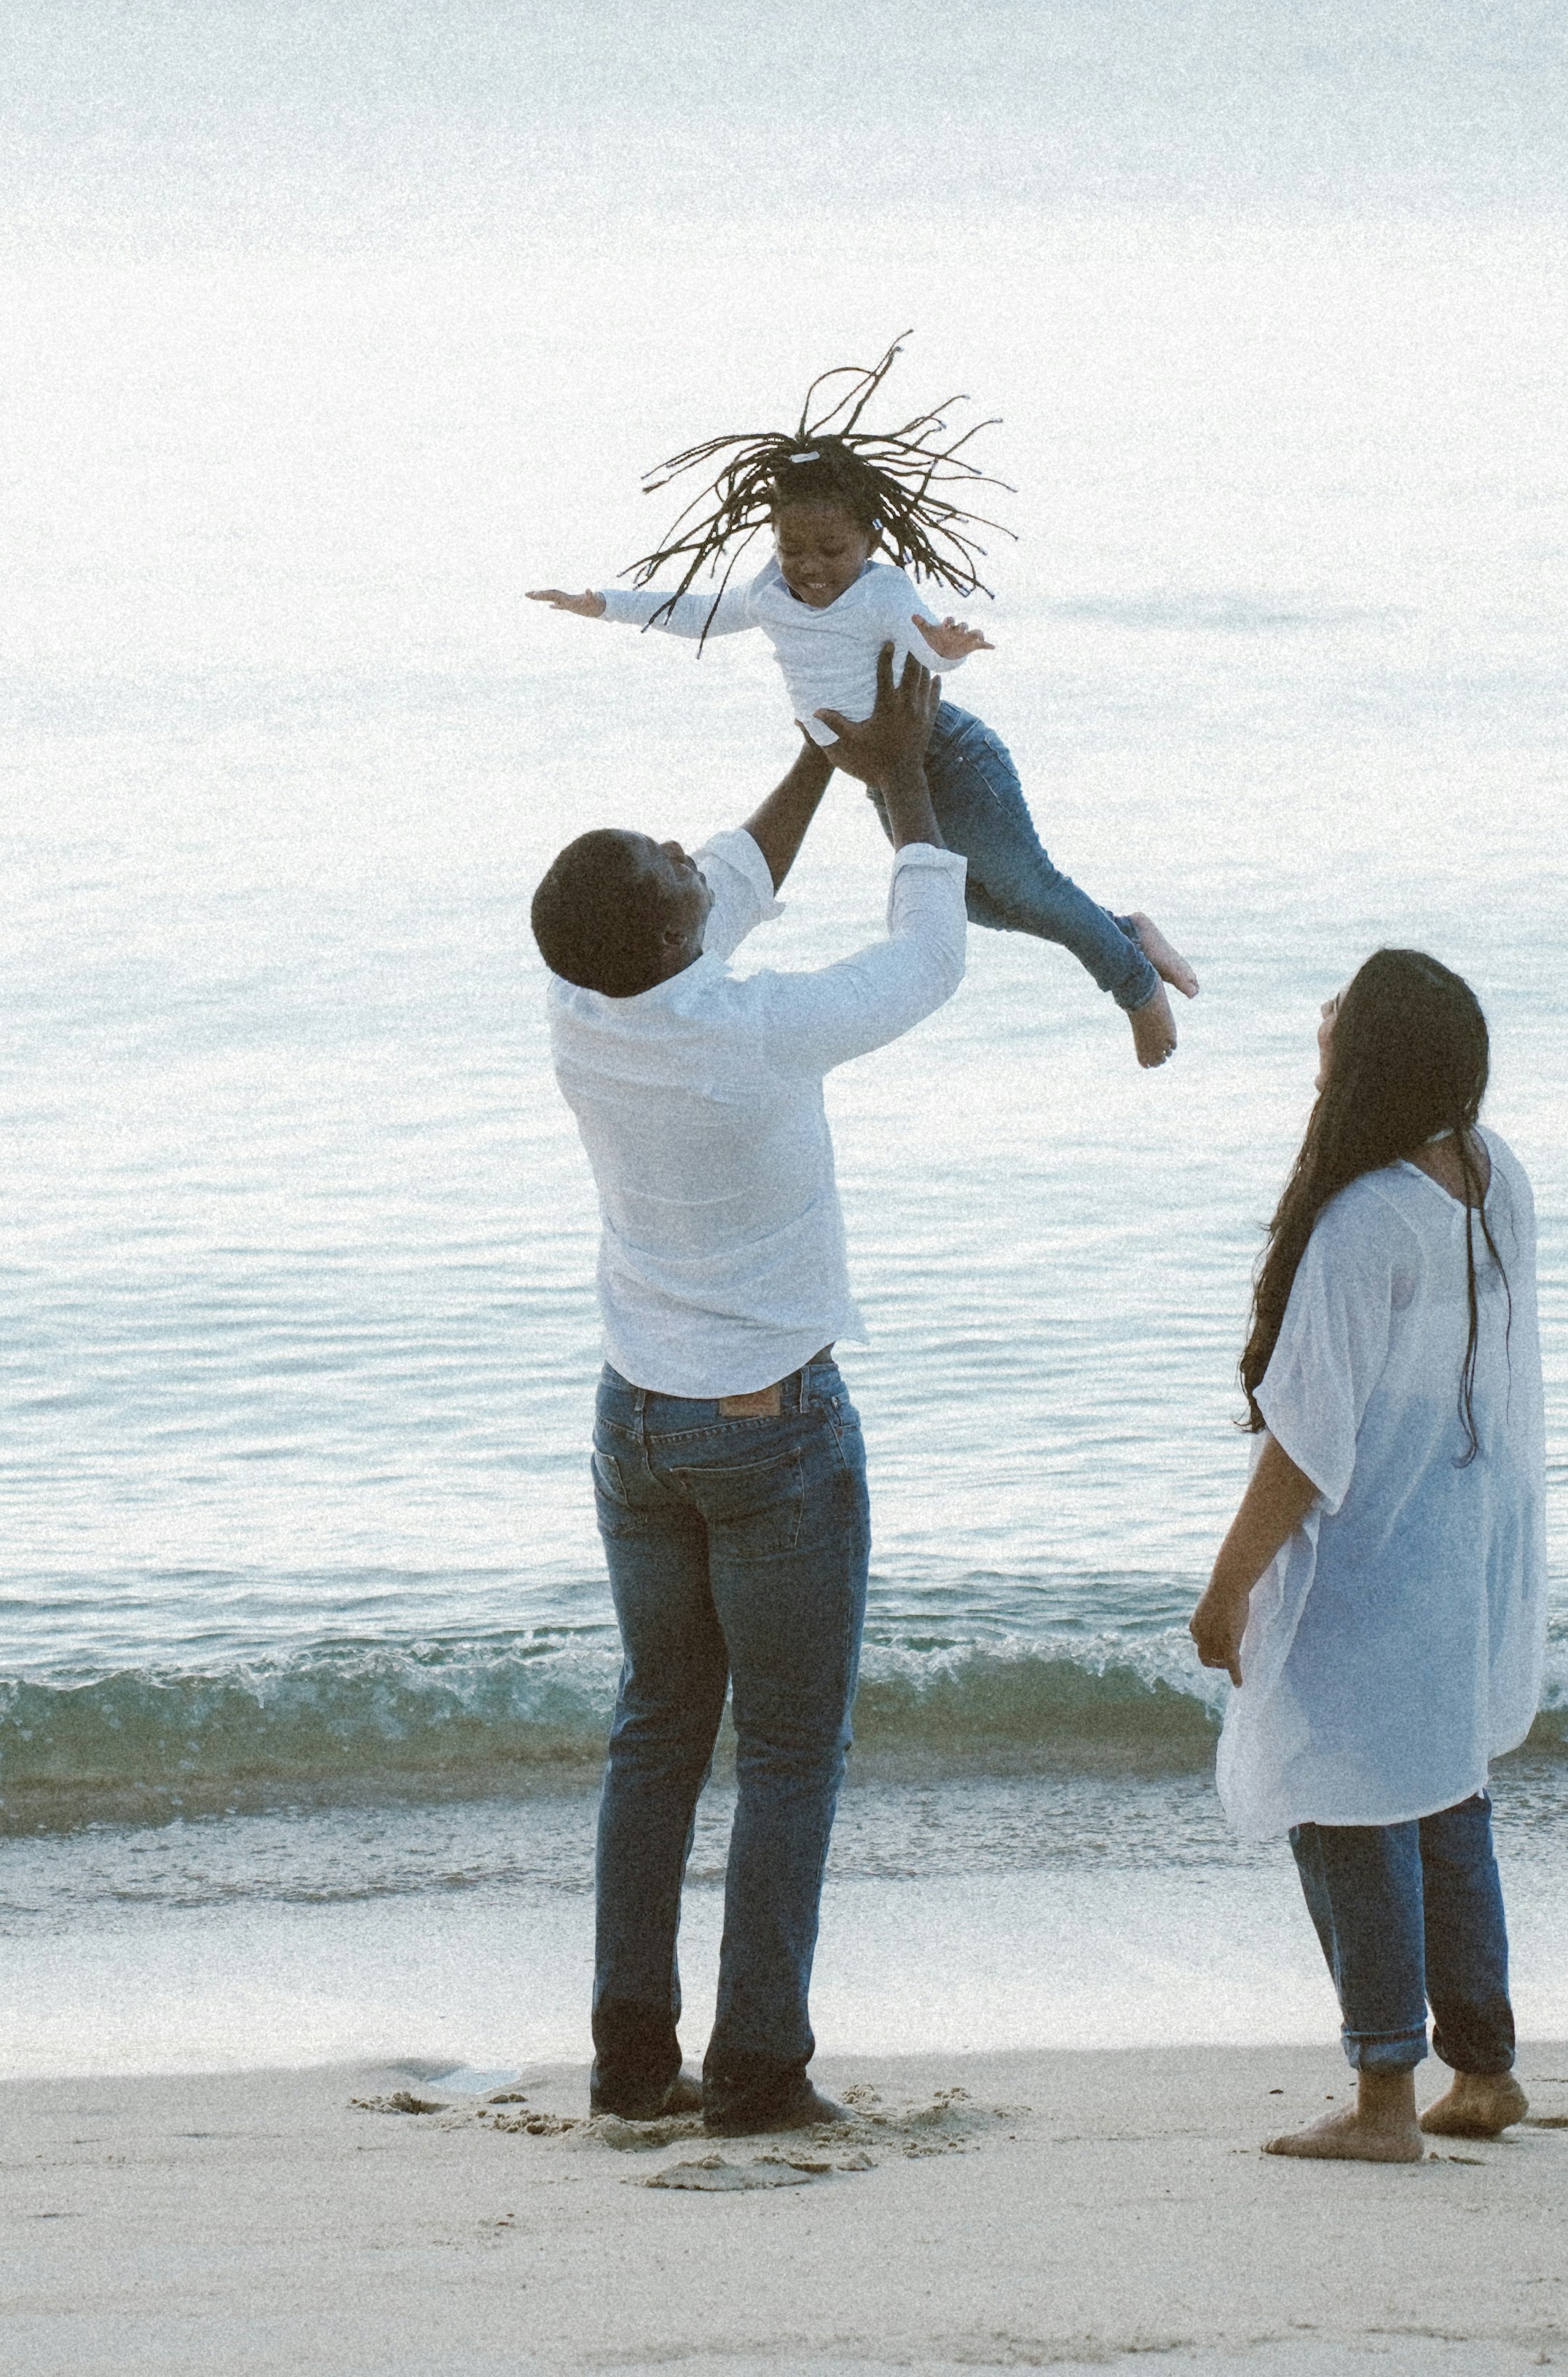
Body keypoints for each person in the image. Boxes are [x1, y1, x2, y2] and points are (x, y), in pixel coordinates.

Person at [531, 643, 964, 2139]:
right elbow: (926, 963)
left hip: (635, 1416)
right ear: (669, 936)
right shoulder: (745, 1033)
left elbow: (724, 881)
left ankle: (631, 2057)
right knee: (788, 1746)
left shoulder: (583, 1002)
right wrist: (901, 778)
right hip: (768, 1427)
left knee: (660, 1725)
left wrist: (812, 756)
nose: (688, 852)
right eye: (669, 866)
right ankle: (761, 2066)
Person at [527, 341, 1199, 1067]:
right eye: (793, 547)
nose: (811, 566)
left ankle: (1134, 985)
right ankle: (1123, 930)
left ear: (870, 540)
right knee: (968, 902)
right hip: (881, 770)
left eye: (832, 548)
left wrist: (949, 644)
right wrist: (601, 604)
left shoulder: (881, 592)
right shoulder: (767, 592)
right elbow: (695, 611)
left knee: (1030, 887)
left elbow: (927, 656)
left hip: (943, 754)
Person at [1187, 947, 1545, 2164]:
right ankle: (1484, 2074)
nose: (1324, 1014)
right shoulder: (1495, 1183)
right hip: (1458, 1551)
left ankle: (1386, 2098)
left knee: (1344, 1810)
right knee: (1444, 1795)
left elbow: (1305, 1444)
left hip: (1368, 1565)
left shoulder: (1359, 1223)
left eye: (1347, 1008)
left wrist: (1227, 1586)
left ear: (1374, 1062)